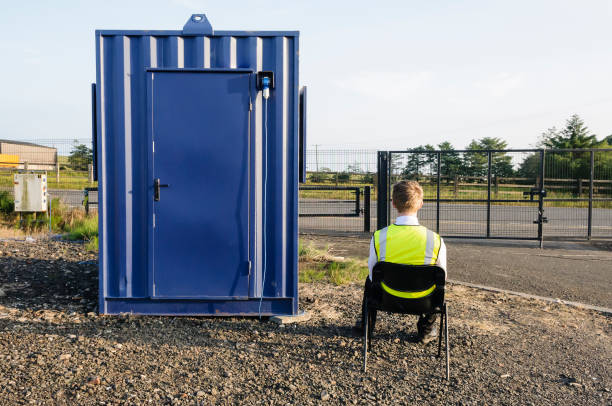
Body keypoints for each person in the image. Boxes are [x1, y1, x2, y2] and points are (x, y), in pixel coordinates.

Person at [355, 180, 447, 344]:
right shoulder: (435, 240)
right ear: (421, 204)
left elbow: (371, 274)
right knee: (436, 284)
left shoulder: (379, 236)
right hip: (423, 301)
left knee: (369, 281)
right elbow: (442, 277)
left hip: (387, 297)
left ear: (393, 203)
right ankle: (426, 330)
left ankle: (366, 326)